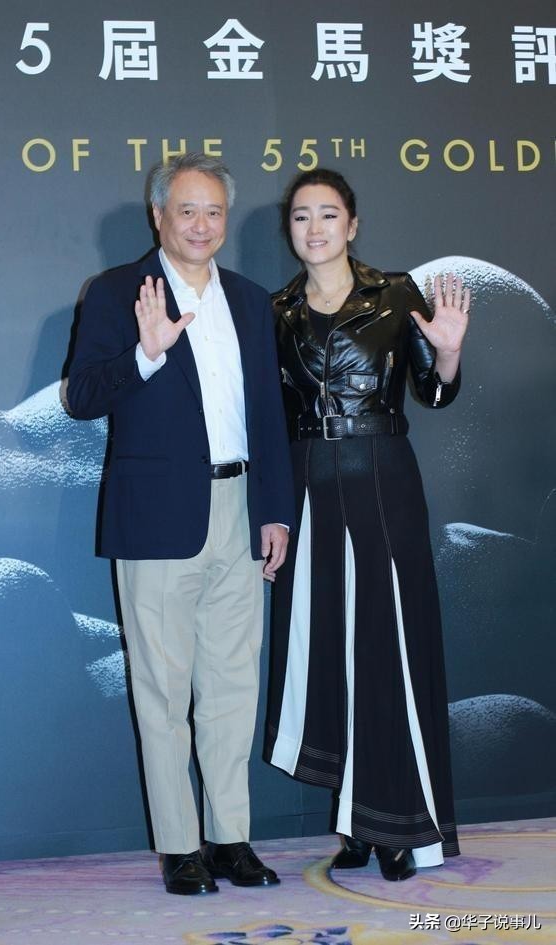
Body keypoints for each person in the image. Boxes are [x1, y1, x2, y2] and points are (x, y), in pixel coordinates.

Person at [67, 152, 295, 895]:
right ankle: (179, 845)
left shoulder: (251, 301)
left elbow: (268, 415)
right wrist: (145, 354)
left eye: (214, 211)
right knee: (162, 690)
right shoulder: (116, 292)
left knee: (233, 683)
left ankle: (230, 837)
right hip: (158, 516)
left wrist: (275, 510)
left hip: (240, 509)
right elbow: (80, 397)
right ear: (158, 215)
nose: (201, 225)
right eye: (187, 210)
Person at [264, 168, 468, 881]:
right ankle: (356, 817)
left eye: (329, 214)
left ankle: (396, 824)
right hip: (308, 484)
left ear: (352, 225)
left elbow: (433, 393)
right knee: (329, 648)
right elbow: (269, 418)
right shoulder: (277, 311)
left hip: (383, 478)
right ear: (289, 231)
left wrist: (448, 350)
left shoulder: (398, 294)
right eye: (301, 217)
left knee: (389, 647)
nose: (315, 228)